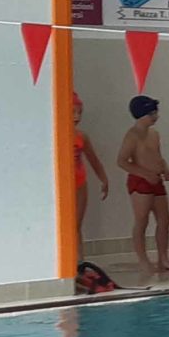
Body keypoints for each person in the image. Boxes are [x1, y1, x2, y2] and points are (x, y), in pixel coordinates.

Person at [114, 97, 169, 278]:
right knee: (142, 221)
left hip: (156, 180)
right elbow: (122, 161)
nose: (156, 116)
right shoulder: (132, 136)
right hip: (140, 181)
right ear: (141, 115)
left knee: (165, 220)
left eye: (156, 112)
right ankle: (143, 260)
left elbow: (158, 157)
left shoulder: (154, 134)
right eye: (152, 113)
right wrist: (144, 174)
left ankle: (163, 258)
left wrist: (166, 170)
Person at [70, 94, 107, 244]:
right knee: (66, 224)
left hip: (79, 183)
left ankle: (79, 256)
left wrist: (104, 178)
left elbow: (94, 160)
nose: (77, 117)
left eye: (79, 112)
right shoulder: (54, 136)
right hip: (62, 183)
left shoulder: (81, 136)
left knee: (76, 225)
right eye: (73, 112)